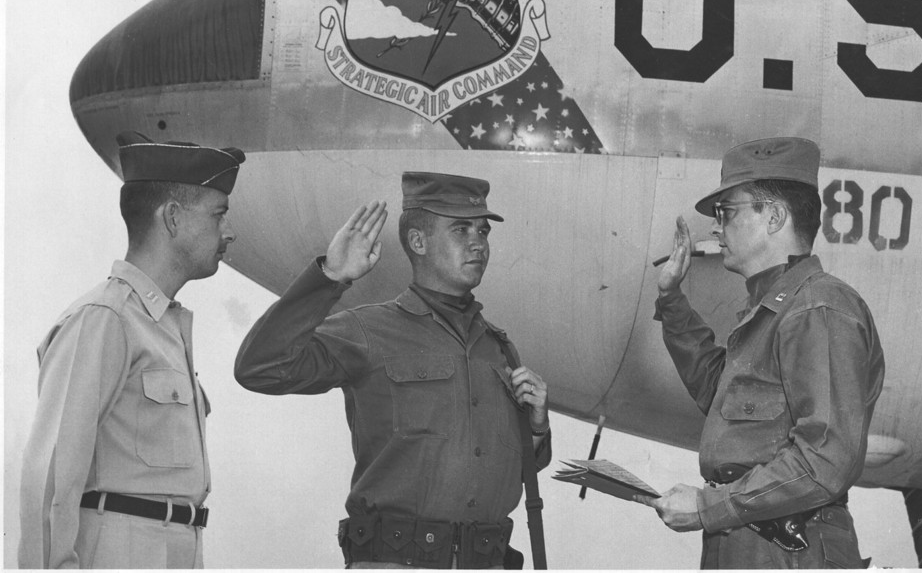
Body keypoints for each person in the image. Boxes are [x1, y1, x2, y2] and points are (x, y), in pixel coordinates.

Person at [235, 172, 552, 569]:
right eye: (461, 229)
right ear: (418, 241)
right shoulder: (369, 330)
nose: (479, 243)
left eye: (483, 231)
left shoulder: (500, 348)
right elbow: (260, 368)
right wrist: (331, 277)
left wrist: (537, 428)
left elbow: (507, 468)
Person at [638, 137, 884, 568]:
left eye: (727, 212)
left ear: (774, 217)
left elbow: (825, 458)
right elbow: (720, 396)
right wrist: (671, 298)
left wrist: (707, 507)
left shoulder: (817, 308)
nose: (716, 227)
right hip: (750, 539)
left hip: (787, 548)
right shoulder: (773, 309)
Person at [18, 131, 246, 568]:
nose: (229, 232)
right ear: (174, 218)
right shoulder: (104, 319)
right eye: (219, 215)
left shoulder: (163, 328)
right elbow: (48, 481)